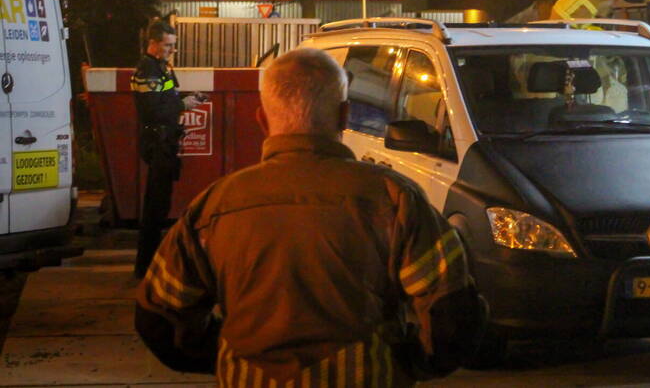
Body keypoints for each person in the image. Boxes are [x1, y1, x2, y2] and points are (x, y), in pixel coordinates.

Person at [135, 48, 486, 386]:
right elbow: (453, 319)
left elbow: (160, 320)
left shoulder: (213, 207)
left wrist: (228, 353)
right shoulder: (395, 200)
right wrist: (403, 362)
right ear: (344, 115)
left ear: (261, 118)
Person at [132, 20, 202, 278]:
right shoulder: (148, 70)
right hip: (157, 142)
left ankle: (148, 264)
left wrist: (185, 100)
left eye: (174, 45)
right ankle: (145, 266)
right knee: (154, 208)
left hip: (166, 142)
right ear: (153, 43)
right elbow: (151, 110)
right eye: (168, 45)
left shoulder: (162, 69)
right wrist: (182, 107)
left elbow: (169, 98)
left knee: (160, 206)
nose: (172, 50)